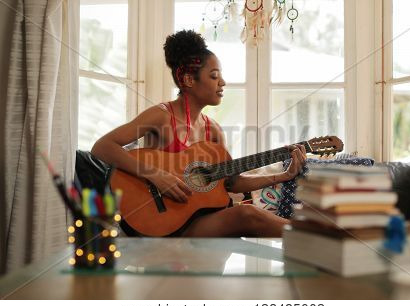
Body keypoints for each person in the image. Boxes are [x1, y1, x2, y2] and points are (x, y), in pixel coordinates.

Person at [91, 30, 307, 237]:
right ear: (188, 80)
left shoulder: (213, 130)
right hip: (161, 221)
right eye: (214, 76)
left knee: (244, 212)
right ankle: (321, 239)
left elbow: (232, 183)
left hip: (199, 221)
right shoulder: (161, 116)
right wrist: (156, 175)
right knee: (246, 214)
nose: (222, 83)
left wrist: (284, 176)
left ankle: (321, 241)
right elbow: (102, 146)